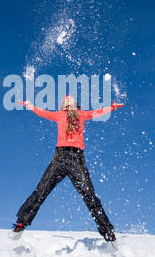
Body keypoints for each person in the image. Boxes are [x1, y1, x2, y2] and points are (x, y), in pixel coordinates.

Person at [10, 95, 124, 243]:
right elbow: (43, 112)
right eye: (65, 101)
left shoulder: (82, 115)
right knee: (41, 191)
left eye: (70, 101)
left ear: (75, 105)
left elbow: (98, 112)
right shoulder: (59, 115)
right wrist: (30, 105)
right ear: (63, 105)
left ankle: (109, 233)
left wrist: (112, 107)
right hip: (59, 159)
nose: (68, 102)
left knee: (90, 196)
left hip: (77, 160)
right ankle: (21, 224)